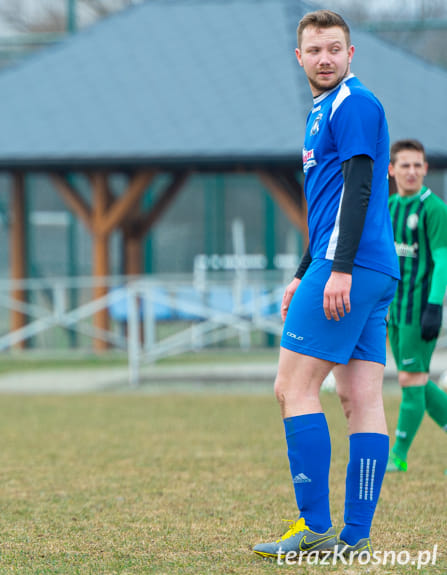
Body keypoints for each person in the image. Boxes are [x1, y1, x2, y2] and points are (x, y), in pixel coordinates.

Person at [252, 10, 399, 560]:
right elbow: (328, 207)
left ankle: (313, 526)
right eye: (315, 51)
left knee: (292, 388)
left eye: (335, 49)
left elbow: (361, 187)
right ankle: (354, 537)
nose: (325, 59)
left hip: (352, 266)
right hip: (370, 268)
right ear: (300, 57)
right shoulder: (321, 110)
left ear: (351, 53)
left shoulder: (353, 103)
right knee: (360, 398)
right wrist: (301, 272)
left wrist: (335, 269)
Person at [385, 139, 447, 473]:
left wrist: (434, 307)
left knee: (411, 379)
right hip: (393, 310)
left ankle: (398, 456)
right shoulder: (389, 206)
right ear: (391, 170)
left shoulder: (433, 208)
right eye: (405, 165)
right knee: (417, 379)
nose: (412, 171)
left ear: (425, 169)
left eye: (417, 165)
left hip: (418, 311)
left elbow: (442, 258)